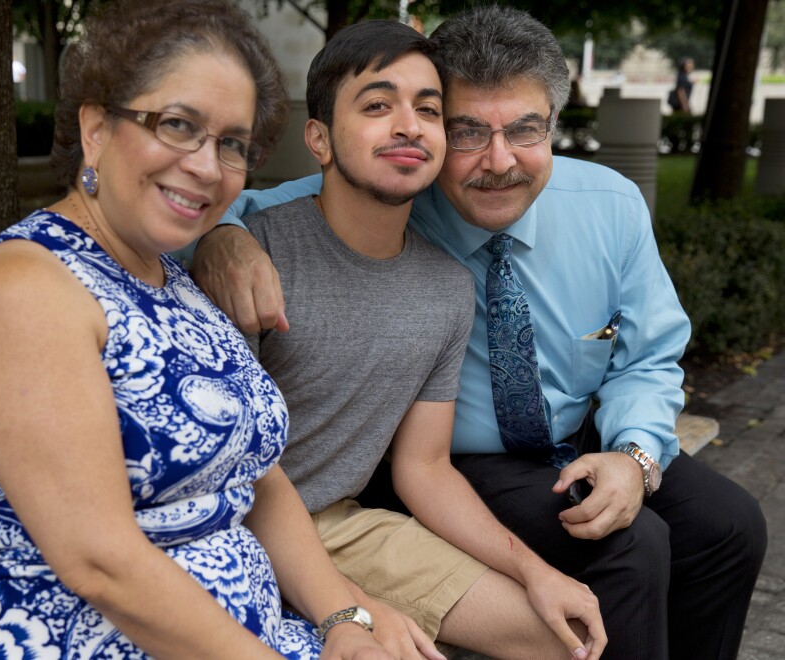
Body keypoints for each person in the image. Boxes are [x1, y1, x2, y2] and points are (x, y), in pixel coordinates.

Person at [188, 5, 768, 659]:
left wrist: (634, 457)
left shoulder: (606, 209)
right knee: (629, 550)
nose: (499, 162)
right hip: (458, 458)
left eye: (526, 130)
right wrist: (221, 233)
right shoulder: (392, 194)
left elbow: (648, 357)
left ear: (553, 125)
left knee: (731, 526)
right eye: (468, 132)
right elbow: (300, 196)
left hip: (571, 438)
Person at [0, 1, 401, 658]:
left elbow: (255, 475)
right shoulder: (25, 289)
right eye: (178, 125)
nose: (209, 167)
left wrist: (344, 618)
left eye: (232, 143)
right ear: (95, 128)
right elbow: (102, 564)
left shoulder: (169, 278)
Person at [233, 19, 603, 660]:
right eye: (378, 106)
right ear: (319, 139)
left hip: (344, 525)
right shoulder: (255, 257)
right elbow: (243, 464)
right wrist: (347, 604)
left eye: (428, 111)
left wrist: (535, 572)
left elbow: (424, 468)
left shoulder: (446, 289)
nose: (408, 125)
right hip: (234, 514)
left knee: (559, 636)